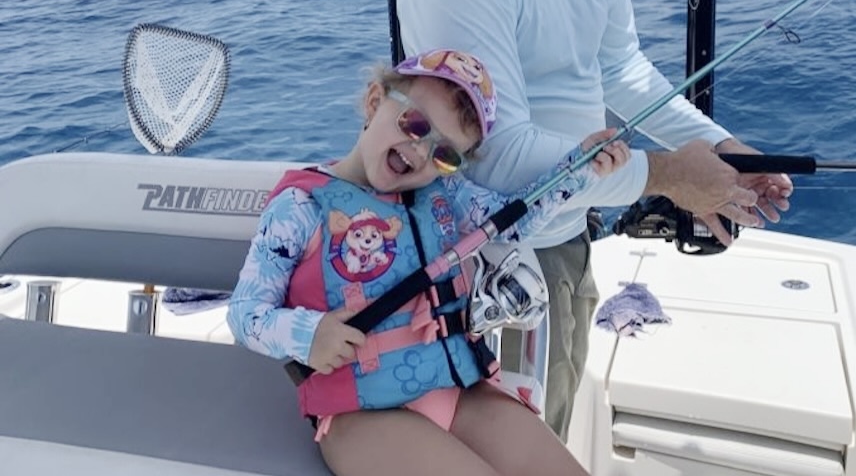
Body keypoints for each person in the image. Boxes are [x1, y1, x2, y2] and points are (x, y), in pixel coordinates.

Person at [395, 0, 794, 441]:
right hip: (492, 254)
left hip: (573, 224)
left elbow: (620, 69)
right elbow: (498, 158)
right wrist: (670, 175)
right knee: (512, 446)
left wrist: (721, 149)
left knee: (560, 411)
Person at [227, 48, 629, 476]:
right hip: (362, 415)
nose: (420, 151)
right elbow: (245, 313)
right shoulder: (300, 207)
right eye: (415, 123)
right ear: (375, 102)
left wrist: (579, 170)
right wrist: (310, 335)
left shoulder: (445, 194)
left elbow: (510, 223)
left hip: (460, 392)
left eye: (445, 154)